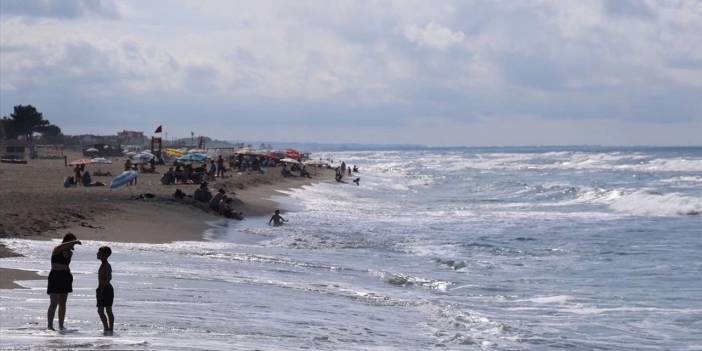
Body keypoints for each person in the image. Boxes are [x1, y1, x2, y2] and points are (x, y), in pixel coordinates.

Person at [47, 233, 82, 331]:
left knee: (63, 302)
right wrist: (74, 241)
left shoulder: (70, 252)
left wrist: (72, 244)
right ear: (67, 241)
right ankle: (50, 325)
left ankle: (61, 325)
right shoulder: (57, 249)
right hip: (55, 276)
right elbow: (62, 246)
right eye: (71, 243)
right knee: (53, 302)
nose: (73, 245)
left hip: (65, 276)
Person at [96, 246, 114, 335]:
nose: (97, 254)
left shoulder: (106, 265)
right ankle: (106, 329)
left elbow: (107, 279)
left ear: (104, 255)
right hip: (102, 288)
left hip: (106, 289)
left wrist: (101, 290)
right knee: (101, 310)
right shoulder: (103, 264)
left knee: (107, 310)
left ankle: (110, 329)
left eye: (99, 252)